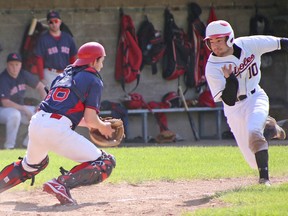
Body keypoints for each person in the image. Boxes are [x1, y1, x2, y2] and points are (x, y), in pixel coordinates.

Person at [0, 42, 116, 205]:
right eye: (101, 60)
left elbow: (68, 115)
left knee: (31, 165)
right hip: (56, 129)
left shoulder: (63, 76)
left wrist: (96, 124)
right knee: (105, 162)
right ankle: (61, 184)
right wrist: (103, 126)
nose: (102, 65)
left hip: (38, 122)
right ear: (93, 61)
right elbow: (90, 119)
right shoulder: (93, 79)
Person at [204, 20, 288, 186]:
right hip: (233, 108)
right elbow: (227, 99)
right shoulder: (212, 67)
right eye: (211, 42)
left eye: (219, 40)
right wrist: (230, 80)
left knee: (254, 133)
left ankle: (264, 180)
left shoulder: (248, 44)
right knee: (252, 159)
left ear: (229, 38)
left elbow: (280, 43)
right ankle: (272, 129)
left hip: (255, 97)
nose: (215, 46)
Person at [0, 53, 47, 149]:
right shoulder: (3, 78)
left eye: (17, 64)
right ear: (7, 65)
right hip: (3, 110)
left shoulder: (23, 74)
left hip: (19, 108)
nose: (14, 67)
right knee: (15, 114)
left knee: (42, 114)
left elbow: (41, 87)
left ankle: (27, 145)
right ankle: (9, 147)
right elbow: (5, 102)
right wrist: (25, 110)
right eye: (11, 64)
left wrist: (43, 104)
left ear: (21, 65)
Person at [35, 10, 77, 87]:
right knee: (50, 97)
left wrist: (73, 73)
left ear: (60, 22)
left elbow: (72, 58)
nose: (54, 24)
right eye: (51, 22)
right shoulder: (43, 38)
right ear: (48, 24)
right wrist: (41, 77)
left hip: (65, 72)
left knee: (65, 96)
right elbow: (39, 58)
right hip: (49, 72)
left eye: (56, 21)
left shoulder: (68, 38)